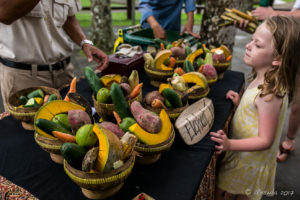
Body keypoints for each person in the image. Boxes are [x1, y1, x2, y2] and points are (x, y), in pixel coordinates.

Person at [210, 16, 300, 200]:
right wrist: (241, 104)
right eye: (252, 40)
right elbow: (257, 112)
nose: (249, 46)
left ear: (277, 59)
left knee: (226, 192)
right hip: (244, 157)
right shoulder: (263, 80)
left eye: (258, 45)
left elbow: (265, 140)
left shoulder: (269, 94)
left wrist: (229, 144)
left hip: (247, 161)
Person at [0, 0, 108, 111]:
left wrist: (84, 43)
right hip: (24, 78)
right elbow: (4, 13)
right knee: (24, 128)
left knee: (70, 123)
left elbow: (69, 18)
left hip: (64, 73)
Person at [251, 1, 300, 162]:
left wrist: (272, 14)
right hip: (289, 52)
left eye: (256, 45)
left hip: (292, 50)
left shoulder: (270, 95)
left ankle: (288, 141)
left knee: (295, 104)